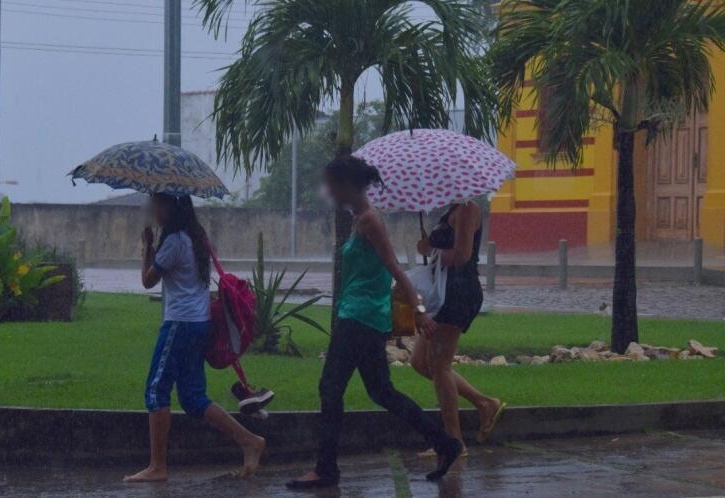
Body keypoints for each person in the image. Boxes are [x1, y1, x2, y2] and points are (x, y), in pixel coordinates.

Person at [286, 156, 462, 490]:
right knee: (382, 391)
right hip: (360, 315)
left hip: (360, 318)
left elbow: (394, 267)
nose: (330, 192)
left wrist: (419, 310)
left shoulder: (370, 222)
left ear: (349, 185)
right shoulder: (359, 221)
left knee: (331, 388)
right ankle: (445, 443)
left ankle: (325, 469)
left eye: (333, 185)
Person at [124, 193, 265, 483]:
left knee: (155, 390)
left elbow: (148, 281)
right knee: (192, 397)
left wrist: (147, 246)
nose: (154, 209)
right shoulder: (196, 236)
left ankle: (157, 466)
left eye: (158, 203)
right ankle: (250, 440)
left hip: (180, 324)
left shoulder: (175, 242)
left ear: (172, 207)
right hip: (198, 324)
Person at [411, 201, 505, 457]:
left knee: (439, 367)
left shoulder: (467, 209)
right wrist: (428, 247)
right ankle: (484, 403)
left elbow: (462, 255)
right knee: (420, 361)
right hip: (441, 291)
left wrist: (433, 251)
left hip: (457, 293)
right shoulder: (450, 209)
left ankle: (453, 442)